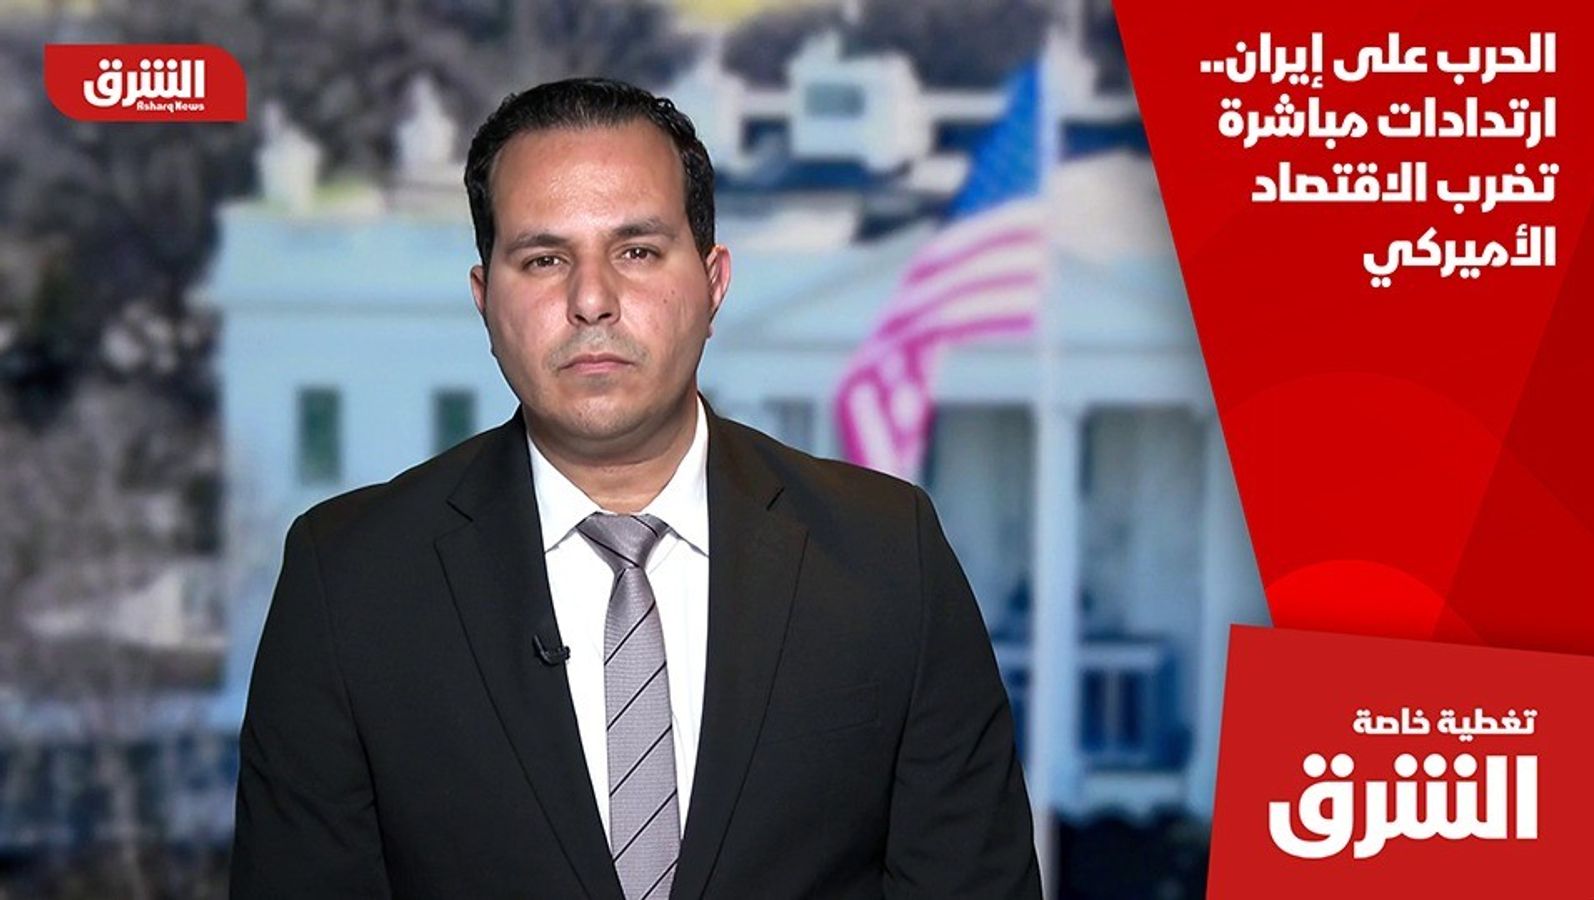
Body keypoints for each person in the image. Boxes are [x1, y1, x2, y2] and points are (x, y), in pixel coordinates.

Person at [229, 77, 1042, 900]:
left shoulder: (886, 555)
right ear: (484, 300)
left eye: (638, 252)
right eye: (544, 260)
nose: (592, 301)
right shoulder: (351, 579)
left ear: (714, 282)